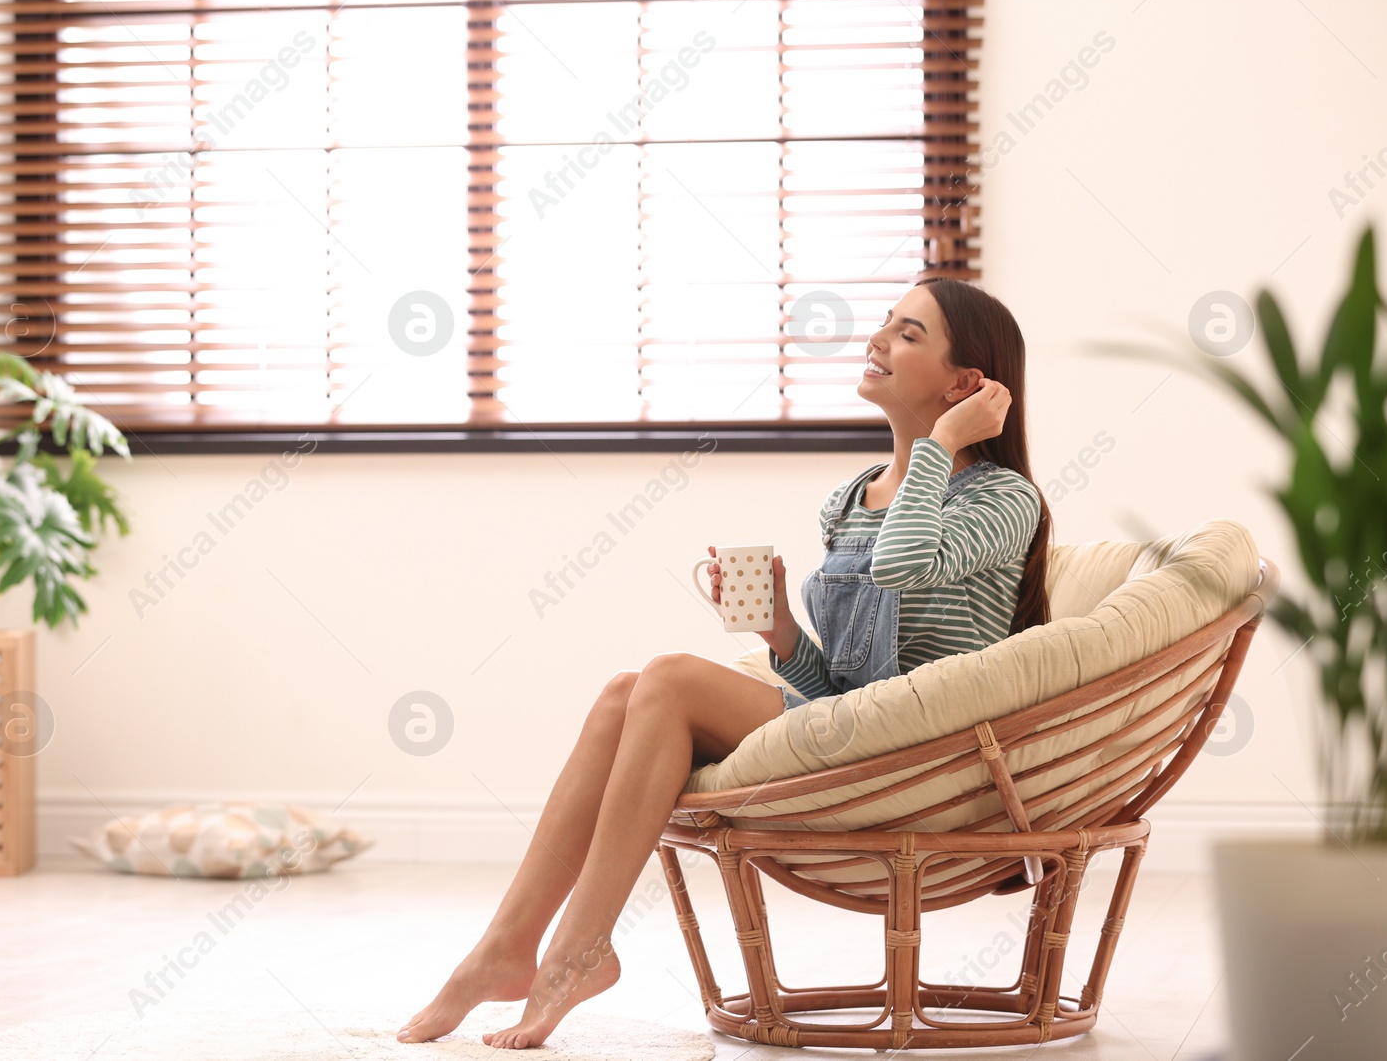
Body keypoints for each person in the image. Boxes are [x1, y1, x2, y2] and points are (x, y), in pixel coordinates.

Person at [397, 277, 1054, 1050]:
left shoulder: (1005, 498)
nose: (876, 338)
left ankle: (578, 952)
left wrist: (941, 445)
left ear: (965, 384)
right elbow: (839, 687)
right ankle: (506, 949)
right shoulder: (849, 501)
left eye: (909, 334)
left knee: (669, 676)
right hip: (857, 730)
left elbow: (907, 566)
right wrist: (780, 631)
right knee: (622, 693)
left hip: (921, 755)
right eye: (885, 323)